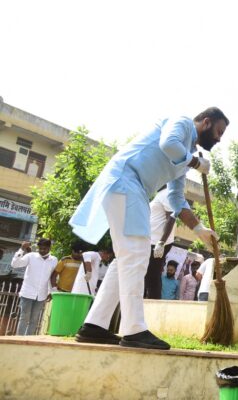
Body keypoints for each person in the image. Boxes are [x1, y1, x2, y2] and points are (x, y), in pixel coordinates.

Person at [69, 107, 226, 350]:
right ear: (206, 122)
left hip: (135, 189)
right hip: (125, 180)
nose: (218, 139)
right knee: (136, 254)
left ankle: (95, 325)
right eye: (218, 131)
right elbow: (168, 143)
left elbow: (175, 198)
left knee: (126, 259)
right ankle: (134, 330)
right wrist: (196, 162)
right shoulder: (182, 123)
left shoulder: (184, 157)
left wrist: (199, 229)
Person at [11, 239, 58, 335]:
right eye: (40, 248)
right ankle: (19, 339)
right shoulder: (30, 256)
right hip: (27, 292)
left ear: (49, 248)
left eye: (45, 248)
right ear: (38, 248)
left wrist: (51, 291)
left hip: (42, 294)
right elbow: (14, 265)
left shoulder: (54, 260)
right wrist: (22, 249)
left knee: (35, 319)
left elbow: (52, 277)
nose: (42, 250)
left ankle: (29, 339)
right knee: (24, 317)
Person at [144, 188, 176, 299]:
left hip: (158, 242)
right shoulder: (159, 195)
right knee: (147, 275)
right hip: (152, 241)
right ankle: (147, 303)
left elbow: (171, 218)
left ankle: (153, 305)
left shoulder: (166, 193)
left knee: (152, 275)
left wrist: (162, 242)